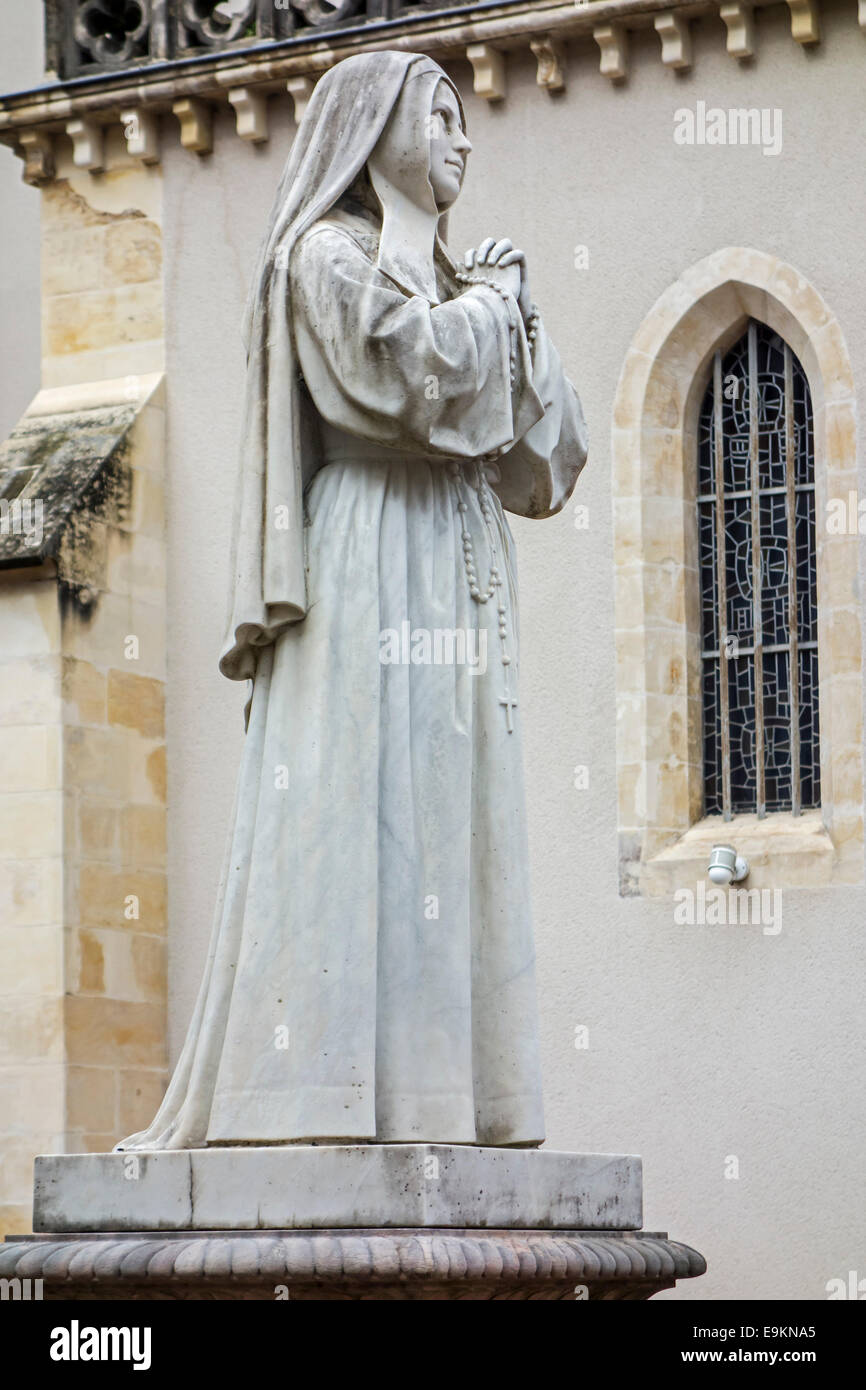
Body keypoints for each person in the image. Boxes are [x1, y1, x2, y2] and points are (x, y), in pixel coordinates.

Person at [116, 49, 588, 1153]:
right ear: (373, 132)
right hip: (372, 555)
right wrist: (491, 308)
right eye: (439, 119)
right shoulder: (320, 258)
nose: (462, 141)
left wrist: (507, 314)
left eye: (465, 122)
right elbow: (401, 379)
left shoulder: (453, 280)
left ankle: (447, 1104)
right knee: (359, 816)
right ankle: (320, 1098)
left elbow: (542, 459)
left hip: (460, 562)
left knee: (448, 821)